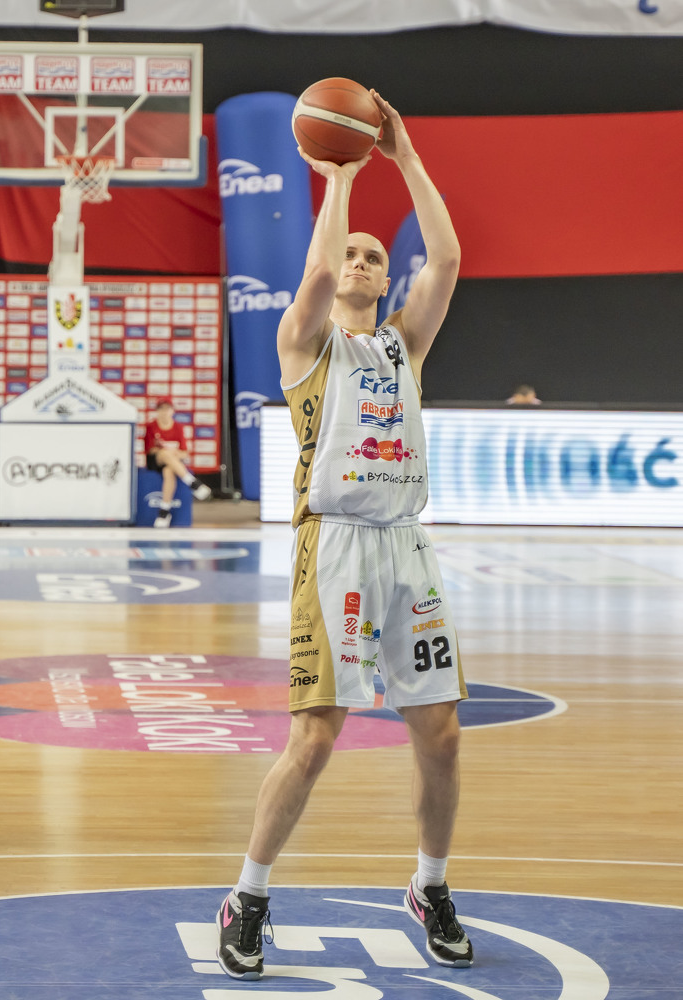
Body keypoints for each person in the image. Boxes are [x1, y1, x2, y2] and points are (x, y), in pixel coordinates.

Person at [215, 90, 471, 979]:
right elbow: (318, 274)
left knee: (441, 733)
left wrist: (404, 157)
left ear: (387, 281)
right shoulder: (306, 342)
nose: (359, 262)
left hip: (407, 545)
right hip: (335, 548)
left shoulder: (404, 345)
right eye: (352, 253)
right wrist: (340, 176)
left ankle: (429, 886)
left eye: (373, 257)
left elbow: (448, 256)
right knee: (317, 736)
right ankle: (247, 896)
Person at [143, 400, 211, 527]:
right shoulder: (151, 426)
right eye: (161, 409)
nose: (164, 412)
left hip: (172, 462)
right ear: (157, 411)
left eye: (167, 409)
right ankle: (192, 483)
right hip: (155, 461)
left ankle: (164, 511)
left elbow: (184, 452)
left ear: (172, 411)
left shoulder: (178, 427)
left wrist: (174, 453)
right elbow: (150, 449)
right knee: (164, 453)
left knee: (168, 471)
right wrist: (168, 451)